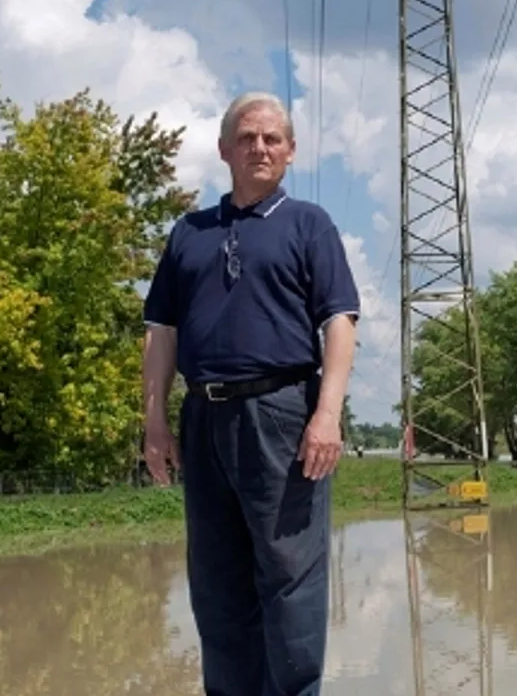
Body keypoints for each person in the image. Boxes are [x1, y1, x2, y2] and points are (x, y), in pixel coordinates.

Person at [141, 91, 360, 695]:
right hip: (204, 418)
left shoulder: (308, 224)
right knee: (216, 583)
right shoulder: (190, 232)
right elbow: (161, 331)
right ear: (223, 150)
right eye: (246, 137)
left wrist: (327, 415)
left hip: (284, 416)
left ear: (290, 151)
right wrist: (154, 422)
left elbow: (340, 322)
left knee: (290, 578)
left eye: (271, 138)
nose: (259, 147)